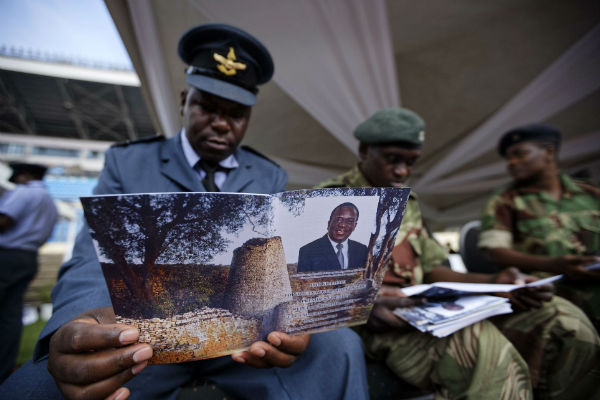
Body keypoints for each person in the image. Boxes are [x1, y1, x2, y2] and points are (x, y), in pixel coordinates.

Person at [0, 24, 368, 400]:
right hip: (146, 339)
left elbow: (280, 260)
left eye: (237, 114)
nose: (222, 123)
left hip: (243, 337)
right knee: (29, 390)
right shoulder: (128, 162)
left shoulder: (269, 174)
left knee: (341, 348)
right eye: (207, 107)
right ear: (183, 102)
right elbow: (92, 255)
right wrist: (80, 316)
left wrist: (292, 317)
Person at [316, 108, 600, 399]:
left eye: (411, 162)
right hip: (375, 322)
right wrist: (364, 303)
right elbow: (309, 290)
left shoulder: (406, 202)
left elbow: (434, 269)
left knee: (564, 322)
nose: (402, 171)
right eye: (392, 160)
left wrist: (498, 283)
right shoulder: (328, 202)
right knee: (485, 355)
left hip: (426, 309)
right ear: (364, 150)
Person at [479, 123, 600, 331]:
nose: (512, 163)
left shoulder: (591, 195)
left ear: (549, 152)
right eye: (508, 158)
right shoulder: (505, 200)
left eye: (520, 154)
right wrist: (554, 265)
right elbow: (495, 252)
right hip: (545, 294)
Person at [0, 162, 58, 383]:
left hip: (6, 254)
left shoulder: (24, 192)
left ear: (25, 175)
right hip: (28, 257)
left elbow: (4, 220)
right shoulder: (50, 202)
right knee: (9, 317)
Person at [297, 202, 368, 272]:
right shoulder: (308, 251)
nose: (342, 225)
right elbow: (303, 282)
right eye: (339, 220)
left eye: (349, 221)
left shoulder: (362, 250)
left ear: (354, 226)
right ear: (329, 223)